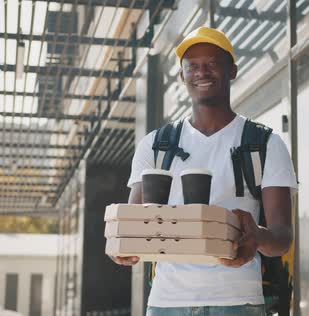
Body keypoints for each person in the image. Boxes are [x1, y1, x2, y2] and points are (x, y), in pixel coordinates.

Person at [111, 26, 298, 316]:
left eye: (212, 63)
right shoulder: (156, 145)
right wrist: (124, 247)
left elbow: (282, 236)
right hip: (166, 303)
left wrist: (257, 237)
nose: (202, 72)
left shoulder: (264, 143)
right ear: (182, 75)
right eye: (192, 66)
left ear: (232, 71)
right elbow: (136, 226)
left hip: (238, 302)